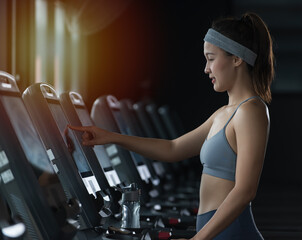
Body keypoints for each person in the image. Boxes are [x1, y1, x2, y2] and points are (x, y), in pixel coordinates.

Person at [69, 11, 274, 240]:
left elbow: (245, 190)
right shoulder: (223, 114)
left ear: (236, 59)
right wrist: (110, 137)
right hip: (212, 232)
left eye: (211, 58)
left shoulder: (251, 111)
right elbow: (173, 149)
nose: (206, 69)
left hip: (232, 233)